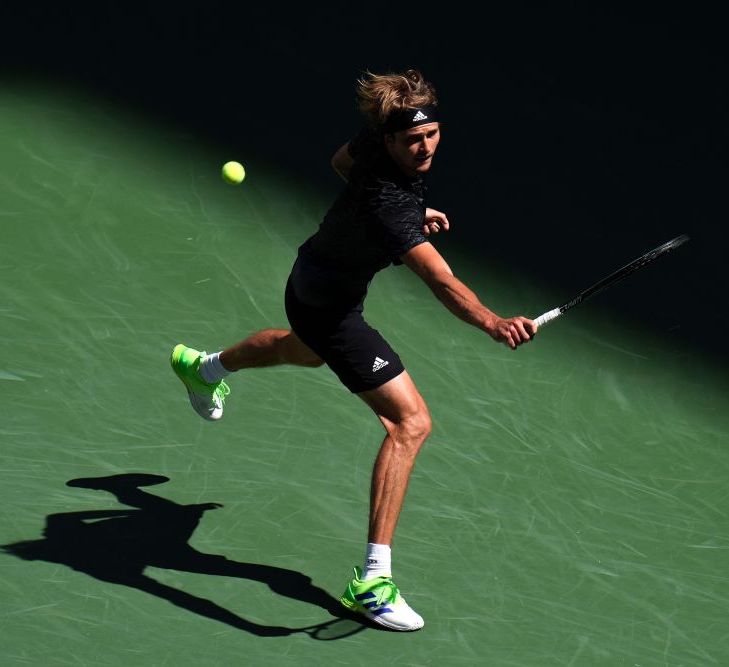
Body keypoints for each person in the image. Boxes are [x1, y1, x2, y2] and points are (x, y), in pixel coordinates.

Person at [170, 69, 536, 632]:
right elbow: (440, 280)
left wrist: (406, 219)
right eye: (414, 140)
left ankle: (203, 367)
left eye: (433, 134)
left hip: (311, 279)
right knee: (410, 424)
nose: (426, 146)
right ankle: (372, 581)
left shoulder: (374, 145)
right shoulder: (389, 204)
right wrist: (491, 321)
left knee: (305, 350)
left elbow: (342, 162)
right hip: (330, 306)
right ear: (389, 140)